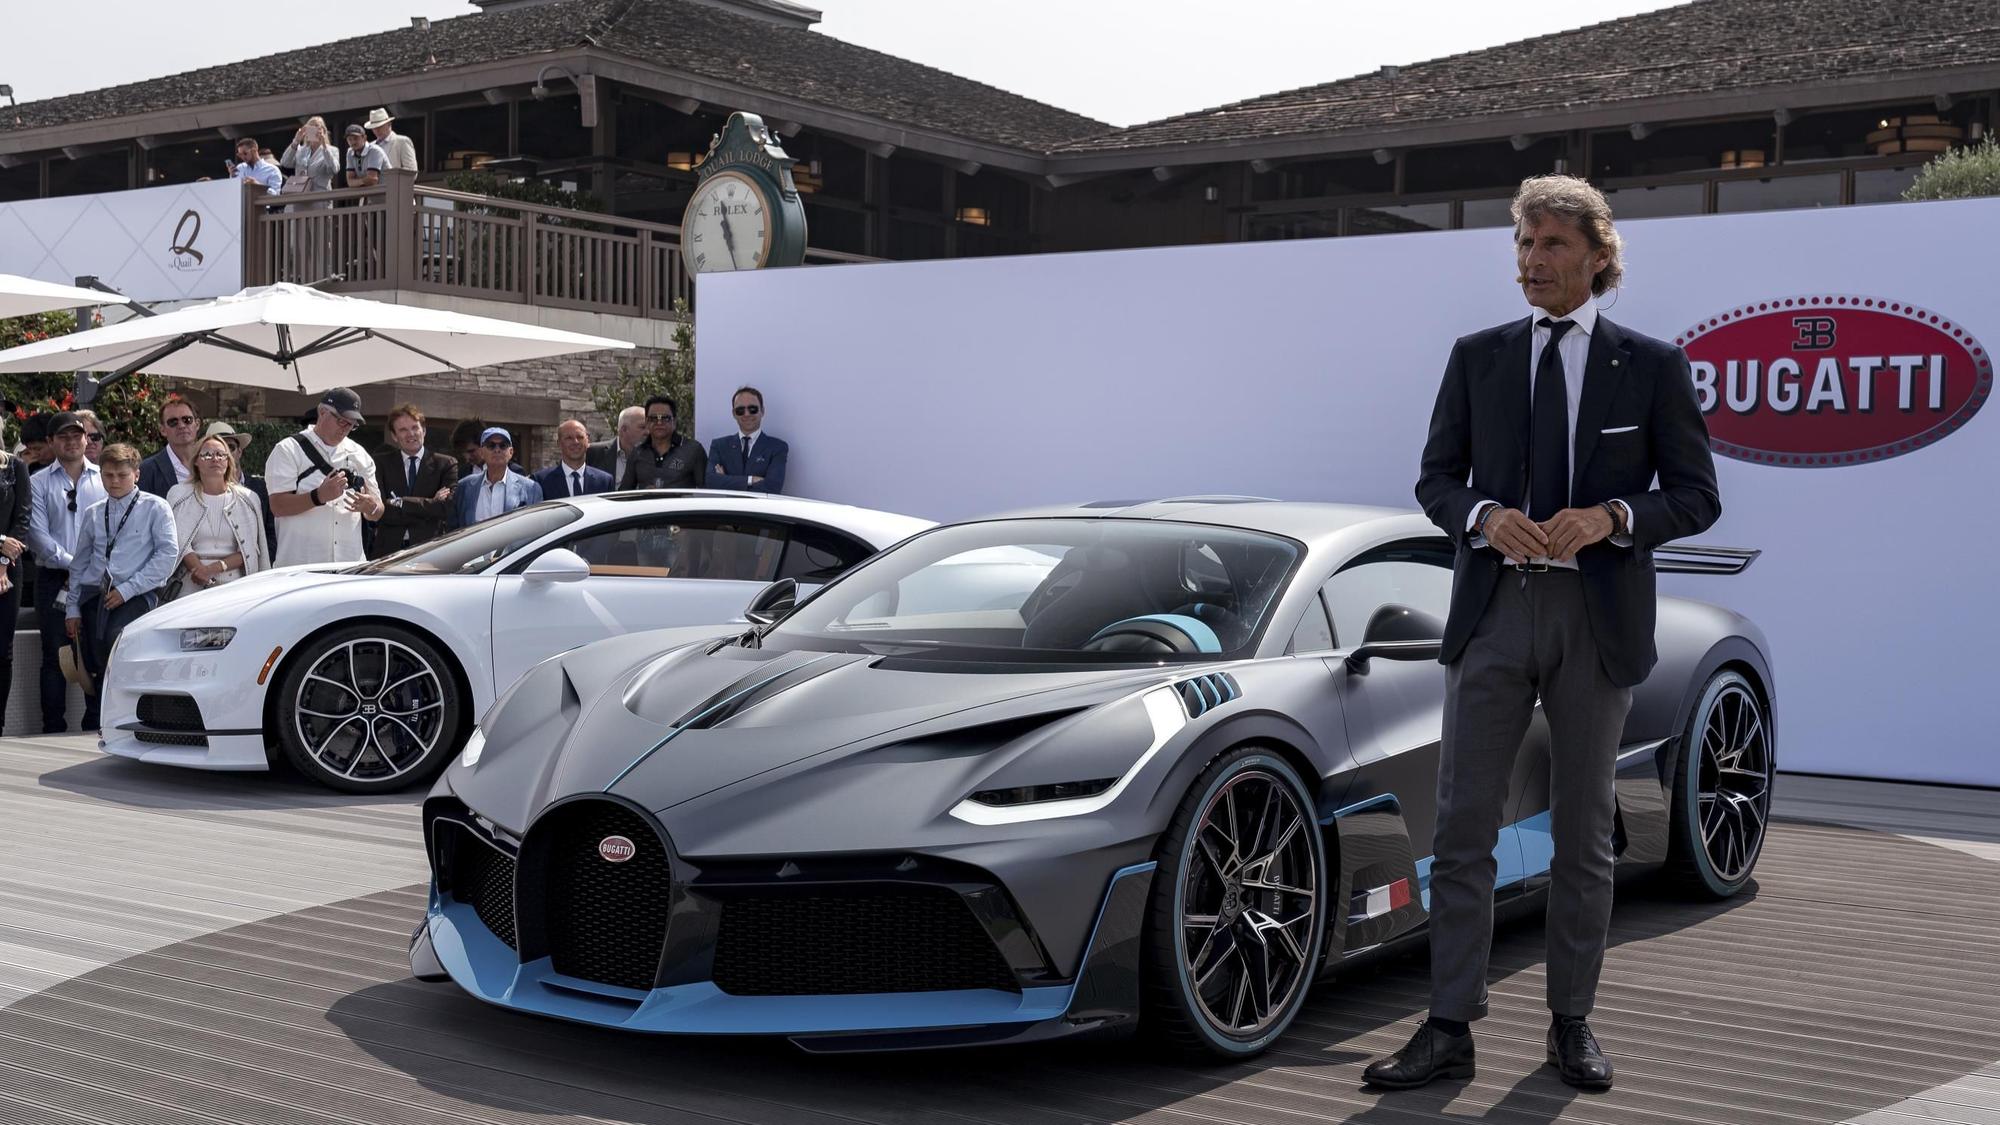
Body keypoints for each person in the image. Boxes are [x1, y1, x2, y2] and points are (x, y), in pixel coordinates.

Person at [1369, 175, 1721, 1094]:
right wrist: (1483, 515)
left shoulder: (1651, 365)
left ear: (1599, 257)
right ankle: (1448, 1024)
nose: (1532, 262)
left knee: (1581, 834)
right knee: (1461, 828)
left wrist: (1612, 516)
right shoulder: (1476, 355)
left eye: (1553, 245)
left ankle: (1572, 1023)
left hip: (1594, 621)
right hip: (1491, 614)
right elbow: (1435, 480)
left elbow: (1697, 496)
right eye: (1524, 246)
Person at [64, 443, 178, 723]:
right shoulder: (93, 512)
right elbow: (80, 563)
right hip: (95, 594)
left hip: (136, 593)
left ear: (136, 475)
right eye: (108, 475)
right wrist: (72, 609)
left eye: (122, 475)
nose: (114, 482)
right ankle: (95, 721)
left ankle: (122, 719)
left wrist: (127, 591)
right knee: (92, 659)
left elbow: (167, 556)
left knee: (120, 648)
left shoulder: (156, 507)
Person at [26, 412, 106, 733]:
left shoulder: (104, 478)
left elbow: (110, 530)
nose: (72, 441)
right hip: (54, 580)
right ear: (51, 442)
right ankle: (53, 728)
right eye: (63, 437)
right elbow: (38, 537)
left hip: (96, 581)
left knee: (95, 655)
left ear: (87, 439)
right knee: (54, 657)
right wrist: (76, 565)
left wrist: (89, 570)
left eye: (77, 435)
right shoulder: (37, 482)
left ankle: (94, 726)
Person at [263, 387, 385, 566]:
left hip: (349, 566)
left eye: (352, 425)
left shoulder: (360, 454)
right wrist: (318, 496)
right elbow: (278, 506)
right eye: (342, 421)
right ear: (322, 412)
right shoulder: (288, 450)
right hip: (301, 567)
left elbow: (378, 511)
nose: (346, 429)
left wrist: (370, 507)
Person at [167, 434, 269, 598]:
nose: (214, 459)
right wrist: (198, 570)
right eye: (207, 454)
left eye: (221, 454)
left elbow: (250, 548)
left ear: (229, 461)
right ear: (196, 461)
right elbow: (176, 540)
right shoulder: (178, 495)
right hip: (189, 581)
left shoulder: (248, 498)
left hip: (235, 585)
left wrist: (213, 569)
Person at [372, 403, 458, 556]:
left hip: (429, 551)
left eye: (414, 428)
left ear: (423, 431)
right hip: (388, 551)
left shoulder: (445, 464)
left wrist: (400, 502)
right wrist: (431, 504)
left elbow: (446, 508)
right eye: (403, 430)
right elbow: (382, 510)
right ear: (394, 436)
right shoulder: (380, 464)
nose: (410, 434)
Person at [202, 422, 278, 556]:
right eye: (215, 451)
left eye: (229, 447)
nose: (224, 453)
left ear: (239, 451)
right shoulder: (194, 493)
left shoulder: (260, 489)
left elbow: (270, 534)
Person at [0, 421, 32, 734]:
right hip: (3, 553)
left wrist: (2, 557)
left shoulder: (15, 467)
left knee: (3, 650)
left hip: (8, 568)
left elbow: (22, 520)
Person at [451, 428, 542, 527]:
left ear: (511, 452)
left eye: (503, 446)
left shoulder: (531, 489)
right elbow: (455, 528)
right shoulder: (464, 487)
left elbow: (536, 528)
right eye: (491, 445)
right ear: (482, 452)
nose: (497, 450)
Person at [707, 385, 788, 494]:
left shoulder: (777, 447)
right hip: (726, 510)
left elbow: (772, 487)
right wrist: (750, 480)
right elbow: (711, 482)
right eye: (740, 410)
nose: (746, 414)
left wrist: (726, 480)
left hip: (759, 510)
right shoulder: (719, 446)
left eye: (752, 409)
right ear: (734, 414)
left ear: (762, 411)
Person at [621, 396, 706, 490]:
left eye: (665, 418)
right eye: (653, 418)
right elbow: (624, 492)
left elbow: (707, 490)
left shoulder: (693, 450)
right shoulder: (637, 453)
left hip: (682, 505)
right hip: (647, 504)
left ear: (675, 422)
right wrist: (643, 495)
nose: (659, 422)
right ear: (646, 422)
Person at [137, 394, 202, 498]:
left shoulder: (211, 461)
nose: (181, 426)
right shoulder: (147, 470)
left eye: (187, 420)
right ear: (162, 430)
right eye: (173, 422)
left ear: (197, 424)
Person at [532, 420, 613, 499]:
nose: (575, 442)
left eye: (580, 437)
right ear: (559, 443)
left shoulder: (604, 481)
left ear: (588, 442)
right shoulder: (541, 481)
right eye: (569, 438)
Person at [586, 405, 646, 491]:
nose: (648, 432)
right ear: (624, 430)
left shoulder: (655, 455)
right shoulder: (593, 453)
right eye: (642, 427)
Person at [280, 116, 341, 197]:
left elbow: (334, 169)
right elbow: (285, 163)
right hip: (300, 196)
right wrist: (296, 140)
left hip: (320, 197)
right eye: (310, 127)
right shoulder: (301, 150)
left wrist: (324, 147)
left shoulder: (332, 150)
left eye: (317, 126)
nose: (314, 130)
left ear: (324, 131)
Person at [366, 108, 418, 172]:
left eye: (380, 127)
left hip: (396, 181)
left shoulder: (402, 142)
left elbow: (411, 171)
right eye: (374, 128)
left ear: (389, 124)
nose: (377, 130)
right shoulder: (369, 147)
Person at [342, 123, 387, 189]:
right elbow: (350, 182)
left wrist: (357, 181)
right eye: (349, 139)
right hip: (372, 195)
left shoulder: (375, 150)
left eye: (356, 138)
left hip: (390, 193)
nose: (353, 142)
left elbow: (372, 180)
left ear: (364, 138)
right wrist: (364, 180)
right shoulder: (350, 152)